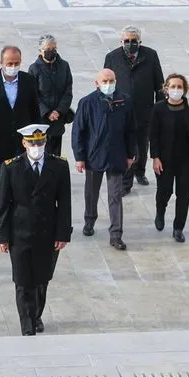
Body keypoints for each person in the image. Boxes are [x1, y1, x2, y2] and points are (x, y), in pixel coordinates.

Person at [0, 124, 72, 336]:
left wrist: (63, 233)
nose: (36, 146)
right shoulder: (11, 167)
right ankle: (26, 324)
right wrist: (1, 235)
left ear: (46, 142)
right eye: (32, 142)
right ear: (24, 143)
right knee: (22, 281)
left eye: (40, 142)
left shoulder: (59, 166)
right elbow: (2, 204)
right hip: (20, 232)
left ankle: (36, 314)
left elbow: (64, 203)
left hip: (47, 232)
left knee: (41, 280)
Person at [71, 68, 136, 250]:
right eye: (105, 81)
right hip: (94, 157)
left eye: (111, 80)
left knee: (115, 195)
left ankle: (116, 234)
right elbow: (78, 132)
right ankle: (89, 220)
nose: (109, 84)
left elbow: (131, 129)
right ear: (97, 83)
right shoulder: (87, 102)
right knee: (91, 192)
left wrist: (131, 154)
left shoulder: (124, 101)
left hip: (117, 156)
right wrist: (79, 157)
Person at [149, 73, 189, 242]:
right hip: (165, 159)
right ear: (166, 89)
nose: (176, 90)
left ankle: (178, 227)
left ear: (184, 89)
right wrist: (155, 157)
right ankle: (160, 211)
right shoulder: (159, 108)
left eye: (180, 87)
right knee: (164, 190)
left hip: (186, 159)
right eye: (173, 86)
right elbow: (153, 135)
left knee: (183, 193)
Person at [104, 25, 165, 193]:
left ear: (140, 42)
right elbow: (106, 81)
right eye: (127, 41)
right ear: (121, 41)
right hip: (121, 110)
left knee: (142, 143)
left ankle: (140, 171)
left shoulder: (150, 55)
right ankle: (125, 181)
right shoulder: (112, 57)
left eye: (134, 41)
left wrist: (160, 107)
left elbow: (159, 83)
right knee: (125, 145)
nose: (130, 44)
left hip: (144, 110)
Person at [0, 45, 41, 198]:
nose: (13, 67)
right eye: (9, 63)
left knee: (23, 179)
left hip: (22, 141)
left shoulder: (29, 81)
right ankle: (2, 214)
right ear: (1, 62)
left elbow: (34, 111)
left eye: (16, 63)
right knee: (1, 179)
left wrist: (37, 138)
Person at [28, 34, 74, 157]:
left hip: (58, 119)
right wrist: (48, 112)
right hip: (42, 119)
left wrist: (58, 111)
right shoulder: (34, 69)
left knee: (56, 156)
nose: (51, 52)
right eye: (47, 50)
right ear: (40, 51)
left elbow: (68, 91)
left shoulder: (64, 66)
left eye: (53, 49)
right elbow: (33, 95)